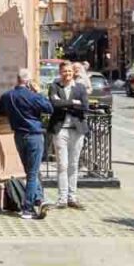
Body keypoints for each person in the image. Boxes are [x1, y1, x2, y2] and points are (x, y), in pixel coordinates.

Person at [0, 68, 53, 220]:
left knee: (30, 172)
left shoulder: (8, 96)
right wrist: (38, 92)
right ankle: (27, 208)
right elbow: (49, 108)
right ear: (28, 81)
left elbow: (0, 111)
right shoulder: (33, 96)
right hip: (34, 135)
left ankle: (39, 199)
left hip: (18, 136)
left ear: (17, 79)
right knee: (33, 174)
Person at [47, 61, 89, 210]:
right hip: (60, 130)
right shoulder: (54, 87)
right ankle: (62, 198)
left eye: (70, 72)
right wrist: (73, 103)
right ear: (60, 72)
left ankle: (73, 197)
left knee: (73, 165)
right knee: (62, 165)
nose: (67, 74)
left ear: (73, 73)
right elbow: (54, 104)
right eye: (65, 71)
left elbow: (85, 107)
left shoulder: (80, 87)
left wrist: (65, 103)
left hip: (77, 130)